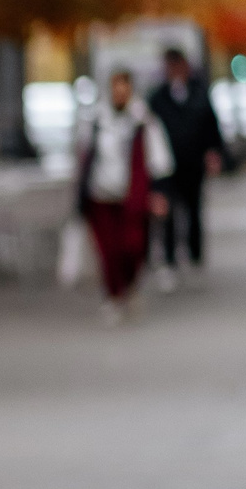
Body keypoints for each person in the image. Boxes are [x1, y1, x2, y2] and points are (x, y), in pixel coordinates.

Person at [75, 69, 173, 323]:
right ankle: (113, 295)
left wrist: (159, 193)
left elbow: (159, 159)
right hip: (101, 196)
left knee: (133, 247)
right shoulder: (96, 119)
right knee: (109, 251)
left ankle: (130, 285)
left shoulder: (144, 121)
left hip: (133, 198)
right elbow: (84, 158)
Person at [144, 47, 224, 287]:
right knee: (167, 212)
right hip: (167, 165)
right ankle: (169, 258)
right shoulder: (158, 97)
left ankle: (194, 253)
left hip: (193, 161)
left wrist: (213, 152)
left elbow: (211, 125)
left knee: (193, 208)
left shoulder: (199, 93)